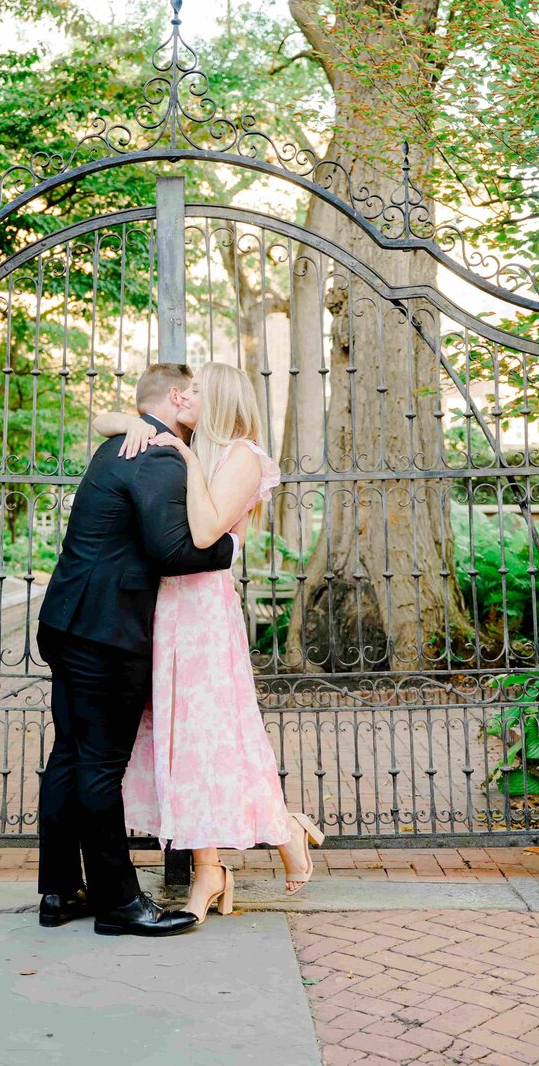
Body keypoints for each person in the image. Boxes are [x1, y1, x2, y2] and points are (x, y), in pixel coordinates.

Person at [94, 361, 324, 925]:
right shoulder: (186, 442)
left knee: (212, 737)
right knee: (178, 742)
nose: (185, 396)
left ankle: (265, 837)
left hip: (202, 614)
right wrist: (137, 423)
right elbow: (100, 418)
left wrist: (188, 458)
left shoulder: (242, 457)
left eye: (196, 390)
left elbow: (202, 534)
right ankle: (213, 866)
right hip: (164, 609)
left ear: (216, 399)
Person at [35, 362, 240, 937]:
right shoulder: (156, 454)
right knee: (100, 765)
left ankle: (61, 891)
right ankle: (119, 905)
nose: (203, 399)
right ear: (176, 398)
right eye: (195, 391)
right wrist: (230, 546)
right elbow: (171, 550)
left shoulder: (121, 442)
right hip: (106, 632)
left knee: (71, 756)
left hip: (69, 619)